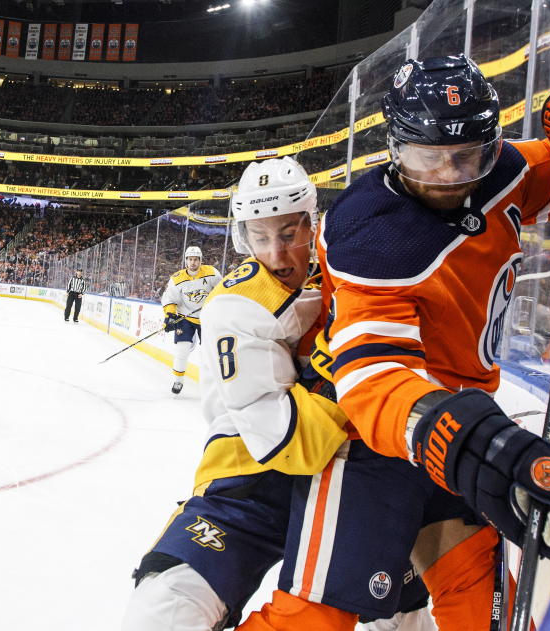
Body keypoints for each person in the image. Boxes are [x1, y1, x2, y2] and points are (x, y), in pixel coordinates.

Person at [238, 55, 550, 630]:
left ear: (490, 144)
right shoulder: (367, 232)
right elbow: (373, 375)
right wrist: (463, 435)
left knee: (486, 611)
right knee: (314, 618)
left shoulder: (498, 169)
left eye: (467, 157)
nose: (451, 176)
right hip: (374, 444)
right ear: (396, 149)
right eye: (429, 159)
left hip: (463, 431)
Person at [122, 157, 433, 631]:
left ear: (314, 223)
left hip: (356, 477)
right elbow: (290, 446)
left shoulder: (350, 266)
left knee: (401, 619)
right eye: (260, 237)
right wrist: (346, 354)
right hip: (249, 478)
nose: (278, 255)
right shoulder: (237, 304)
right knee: (163, 607)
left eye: (289, 234)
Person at [160, 245, 220, 394]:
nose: (193, 262)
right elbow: (169, 299)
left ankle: (213, 383)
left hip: (207, 318)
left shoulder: (212, 273)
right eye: (190, 259)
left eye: (196, 259)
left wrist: (215, 302)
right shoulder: (176, 278)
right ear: (185, 260)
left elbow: (222, 290)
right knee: (182, 349)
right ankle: (178, 381)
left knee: (209, 352)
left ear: (201, 260)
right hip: (184, 317)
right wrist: (170, 316)